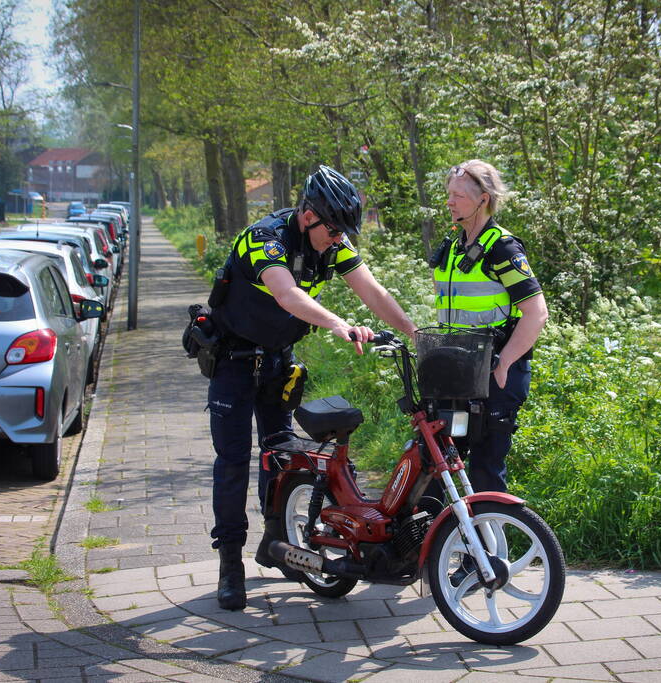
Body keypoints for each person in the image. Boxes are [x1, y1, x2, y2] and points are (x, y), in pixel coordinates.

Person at [206, 165, 417, 610]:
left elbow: (373, 293)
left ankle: (276, 544)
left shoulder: (333, 245)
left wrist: (416, 334)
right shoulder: (265, 238)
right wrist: (339, 325)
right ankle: (230, 563)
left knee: (281, 455)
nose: (339, 239)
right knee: (232, 462)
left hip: (277, 362)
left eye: (344, 231)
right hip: (234, 359)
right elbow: (287, 295)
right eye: (334, 229)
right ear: (308, 216)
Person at [431, 159, 548, 495]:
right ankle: (438, 544)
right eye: (448, 194)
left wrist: (506, 362)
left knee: (484, 473)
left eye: (457, 196)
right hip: (457, 372)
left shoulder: (502, 248)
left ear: (483, 198)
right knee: (438, 468)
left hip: (495, 373)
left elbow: (536, 313)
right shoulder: (454, 245)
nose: (449, 202)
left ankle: (490, 546)